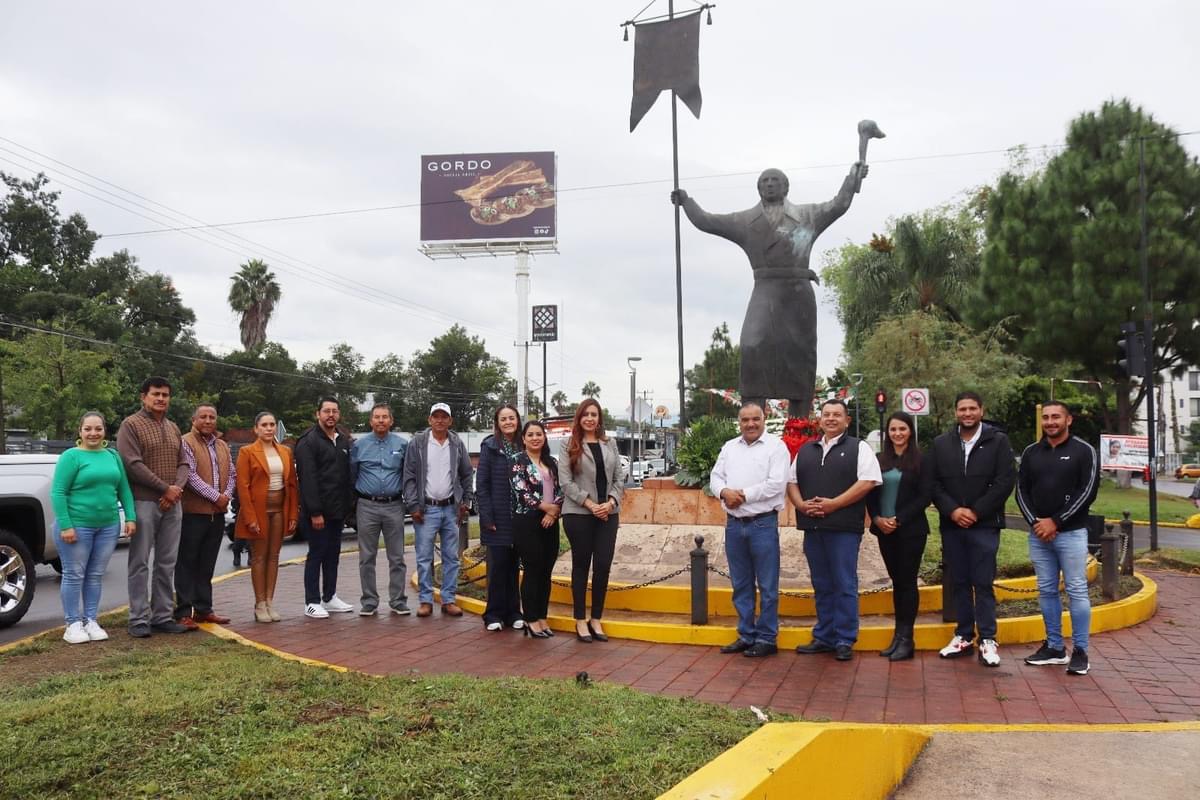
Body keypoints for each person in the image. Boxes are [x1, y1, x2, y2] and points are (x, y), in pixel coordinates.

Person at [671, 162, 867, 417]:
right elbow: (708, 221)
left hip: (798, 295)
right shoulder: (744, 221)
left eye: (775, 180)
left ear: (786, 187)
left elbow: (838, 204)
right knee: (752, 346)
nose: (770, 184)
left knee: (800, 355)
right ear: (758, 188)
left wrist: (853, 176)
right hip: (765, 290)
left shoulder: (808, 215)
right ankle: (752, 420)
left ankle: (800, 426)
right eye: (765, 180)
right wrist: (687, 201)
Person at [790, 399, 882, 662]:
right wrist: (800, 505)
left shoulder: (859, 448)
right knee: (821, 584)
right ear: (820, 419)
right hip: (813, 527)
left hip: (843, 529)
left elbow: (867, 482)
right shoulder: (806, 450)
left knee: (844, 583)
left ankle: (844, 638)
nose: (831, 418)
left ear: (847, 420)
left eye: (837, 415)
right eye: (826, 414)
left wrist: (834, 505)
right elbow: (791, 481)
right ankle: (824, 636)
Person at [929, 391, 1016, 667]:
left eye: (972, 409)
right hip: (952, 523)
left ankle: (988, 638)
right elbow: (933, 483)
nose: (967, 413)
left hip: (985, 524)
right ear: (956, 412)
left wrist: (976, 511)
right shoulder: (941, 444)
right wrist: (953, 510)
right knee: (960, 582)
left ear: (981, 410)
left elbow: (1004, 482)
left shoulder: (998, 441)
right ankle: (964, 636)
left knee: (983, 582)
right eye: (962, 409)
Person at [1016, 401, 1099, 676]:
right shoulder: (1031, 452)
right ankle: (1054, 647)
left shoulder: (1084, 451)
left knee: (1076, 590)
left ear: (1068, 420)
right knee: (1047, 590)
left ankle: (1081, 651)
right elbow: (1021, 492)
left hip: (1071, 534)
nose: (1051, 421)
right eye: (1047, 417)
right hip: (1039, 535)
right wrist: (1037, 524)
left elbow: (1087, 491)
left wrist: (1056, 522)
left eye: (1056, 417)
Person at [709, 402, 790, 658]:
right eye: (745, 420)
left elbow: (777, 485)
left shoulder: (777, 447)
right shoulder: (730, 447)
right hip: (734, 525)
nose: (751, 424)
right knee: (741, 584)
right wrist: (723, 492)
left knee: (767, 585)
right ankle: (746, 634)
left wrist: (741, 495)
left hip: (763, 524)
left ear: (764, 419)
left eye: (755, 419)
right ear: (739, 421)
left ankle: (767, 638)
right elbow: (715, 476)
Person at [50, 411, 138, 643]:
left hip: (107, 526)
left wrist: (130, 517)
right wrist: (66, 525)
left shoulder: (112, 455)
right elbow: (58, 492)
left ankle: (90, 620)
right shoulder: (71, 457)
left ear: (104, 431)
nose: (93, 433)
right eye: (88, 428)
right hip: (77, 527)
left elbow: (124, 489)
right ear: (80, 431)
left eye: (98, 428)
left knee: (95, 575)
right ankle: (72, 624)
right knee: (74, 574)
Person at [117, 376, 190, 637]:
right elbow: (133, 464)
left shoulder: (173, 428)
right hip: (144, 502)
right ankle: (138, 618)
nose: (161, 399)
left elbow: (184, 463)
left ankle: (162, 615)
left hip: (173, 504)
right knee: (139, 562)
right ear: (143, 396)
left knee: (166, 562)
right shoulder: (130, 425)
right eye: (156, 394)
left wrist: (176, 489)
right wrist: (164, 488)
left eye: (165, 395)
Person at [558, 399, 626, 642]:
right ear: (579, 417)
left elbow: (620, 478)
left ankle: (596, 618)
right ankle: (580, 619)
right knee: (581, 566)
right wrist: (590, 504)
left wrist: (610, 503)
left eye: (594, 414)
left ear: (599, 418)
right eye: (585, 414)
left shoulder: (611, 444)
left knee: (603, 566)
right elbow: (565, 482)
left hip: (608, 514)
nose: (590, 418)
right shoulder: (569, 444)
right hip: (579, 514)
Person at [866, 412, 932, 661]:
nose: (897, 434)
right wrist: (876, 518)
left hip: (910, 530)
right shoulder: (879, 459)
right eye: (893, 429)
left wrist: (899, 519)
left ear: (910, 432)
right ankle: (897, 636)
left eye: (902, 429)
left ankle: (907, 638)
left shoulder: (921, 461)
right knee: (897, 583)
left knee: (907, 582)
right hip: (883, 529)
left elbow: (925, 496)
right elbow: (870, 493)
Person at [402, 402, 475, 618]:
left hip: (451, 508)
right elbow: (409, 476)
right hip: (426, 509)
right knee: (424, 557)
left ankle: (448, 599)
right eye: (436, 416)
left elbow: (466, 473)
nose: (440, 420)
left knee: (451, 557)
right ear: (429, 419)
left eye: (444, 417)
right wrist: (413, 505)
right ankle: (426, 600)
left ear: (450, 421)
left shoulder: (456, 443)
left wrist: (466, 501)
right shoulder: (418, 443)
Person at [235, 411, 300, 622]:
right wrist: (250, 517)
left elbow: (291, 484)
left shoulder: (285, 451)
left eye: (272, 424)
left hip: (279, 509)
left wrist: (292, 514)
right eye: (264, 425)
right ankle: (259, 603)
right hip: (258, 510)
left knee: (274, 557)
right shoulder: (247, 452)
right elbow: (243, 487)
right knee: (259, 557)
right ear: (256, 428)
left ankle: (270, 601)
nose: (269, 428)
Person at [175, 403, 236, 626]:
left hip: (217, 515)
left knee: (207, 564)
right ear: (194, 420)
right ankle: (183, 612)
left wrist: (226, 495)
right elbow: (189, 476)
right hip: (193, 513)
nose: (208, 421)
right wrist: (215, 497)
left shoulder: (222, 445)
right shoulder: (185, 442)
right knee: (186, 563)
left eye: (212, 417)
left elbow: (231, 473)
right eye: (203, 417)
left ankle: (203, 608)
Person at [295, 397, 355, 618]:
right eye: (326, 411)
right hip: (317, 514)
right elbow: (308, 480)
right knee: (317, 555)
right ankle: (311, 601)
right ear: (317, 414)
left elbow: (347, 475)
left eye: (335, 411)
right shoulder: (308, 442)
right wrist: (315, 512)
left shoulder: (342, 440)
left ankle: (329, 596)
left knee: (333, 555)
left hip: (338, 511)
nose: (331, 415)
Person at [351, 402, 410, 617]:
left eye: (385, 417)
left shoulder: (403, 445)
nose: (381, 420)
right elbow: (352, 474)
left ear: (391, 421)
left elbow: (407, 474)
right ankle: (369, 600)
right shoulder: (359, 445)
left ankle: (398, 600)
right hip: (367, 506)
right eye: (377, 417)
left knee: (397, 557)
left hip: (394, 505)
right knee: (367, 556)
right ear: (371, 421)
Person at [510, 420, 564, 639]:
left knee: (545, 572)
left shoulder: (551, 462)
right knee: (533, 569)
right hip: (527, 522)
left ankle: (542, 616)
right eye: (530, 434)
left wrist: (553, 512)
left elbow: (562, 488)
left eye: (539, 434)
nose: (535, 438)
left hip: (550, 522)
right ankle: (530, 618)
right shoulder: (517, 462)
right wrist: (545, 507)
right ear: (523, 439)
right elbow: (521, 490)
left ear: (544, 437)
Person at [477, 404, 524, 631]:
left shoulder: (524, 444)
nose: (508, 422)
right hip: (496, 518)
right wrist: (486, 517)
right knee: (497, 568)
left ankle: (514, 612)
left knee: (514, 568)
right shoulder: (489, 446)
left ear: (517, 420)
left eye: (511, 418)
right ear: (497, 422)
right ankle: (493, 614)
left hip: (519, 517)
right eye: (503, 419)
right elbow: (482, 485)